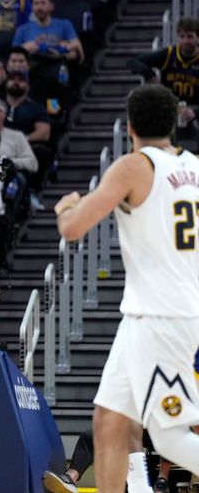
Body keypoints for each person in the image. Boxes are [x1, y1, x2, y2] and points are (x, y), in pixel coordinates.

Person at [54, 84, 199, 492]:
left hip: (161, 316)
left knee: (169, 436)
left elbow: (74, 227)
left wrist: (65, 205)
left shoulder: (134, 166)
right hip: (153, 313)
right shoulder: (194, 167)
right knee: (109, 420)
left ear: (130, 126)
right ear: (173, 124)